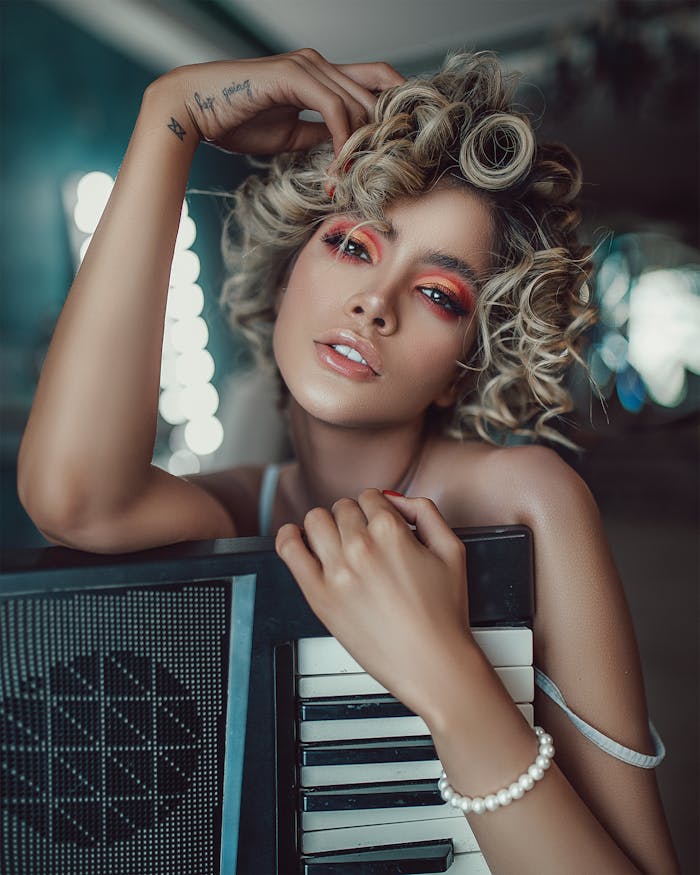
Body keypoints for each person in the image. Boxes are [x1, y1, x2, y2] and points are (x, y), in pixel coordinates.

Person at [17, 48, 679, 872]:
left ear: (464, 366)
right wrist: (170, 118)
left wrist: (448, 678)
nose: (376, 301)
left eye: (440, 294)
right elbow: (74, 500)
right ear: (289, 268)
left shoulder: (527, 499)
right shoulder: (231, 512)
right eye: (354, 245)